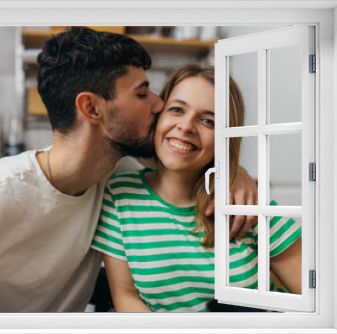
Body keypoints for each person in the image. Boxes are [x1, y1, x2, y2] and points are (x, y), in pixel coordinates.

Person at [0, 28, 258, 312]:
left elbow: (189, 156)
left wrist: (232, 170)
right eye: (142, 92)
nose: (159, 105)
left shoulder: (117, 173)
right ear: (92, 108)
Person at [91, 64, 302, 312]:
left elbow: (316, 299)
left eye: (208, 121)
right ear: (159, 116)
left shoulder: (248, 206)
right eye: (177, 109)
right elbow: (126, 297)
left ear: (227, 136)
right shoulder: (120, 194)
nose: (187, 126)